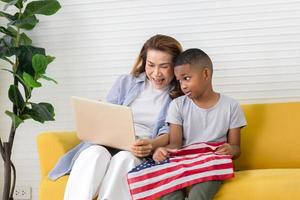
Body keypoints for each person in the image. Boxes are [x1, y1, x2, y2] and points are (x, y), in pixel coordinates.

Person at [48, 34, 183, 200]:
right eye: (151, 65)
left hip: (140, 150)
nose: (156, 73)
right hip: (110, 141)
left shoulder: (179, 96)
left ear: (176, 66)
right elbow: (108, 113)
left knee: (124, 159)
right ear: (143, 61)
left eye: (164, 66)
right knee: (94, 154)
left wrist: (151, 144)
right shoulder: (126, 82)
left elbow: (169, 131)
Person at [152, 48, 247, 200]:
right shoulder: (177, 105)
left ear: (206, 74)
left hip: (212, 163)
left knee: (198, 196)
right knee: (170, 193)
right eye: (179, 80)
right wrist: (162, 150)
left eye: (187, 78)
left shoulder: (231, 106)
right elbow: (175, 144)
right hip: (183, 161)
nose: (182, 85)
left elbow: (237, 149)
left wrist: (231, 149)